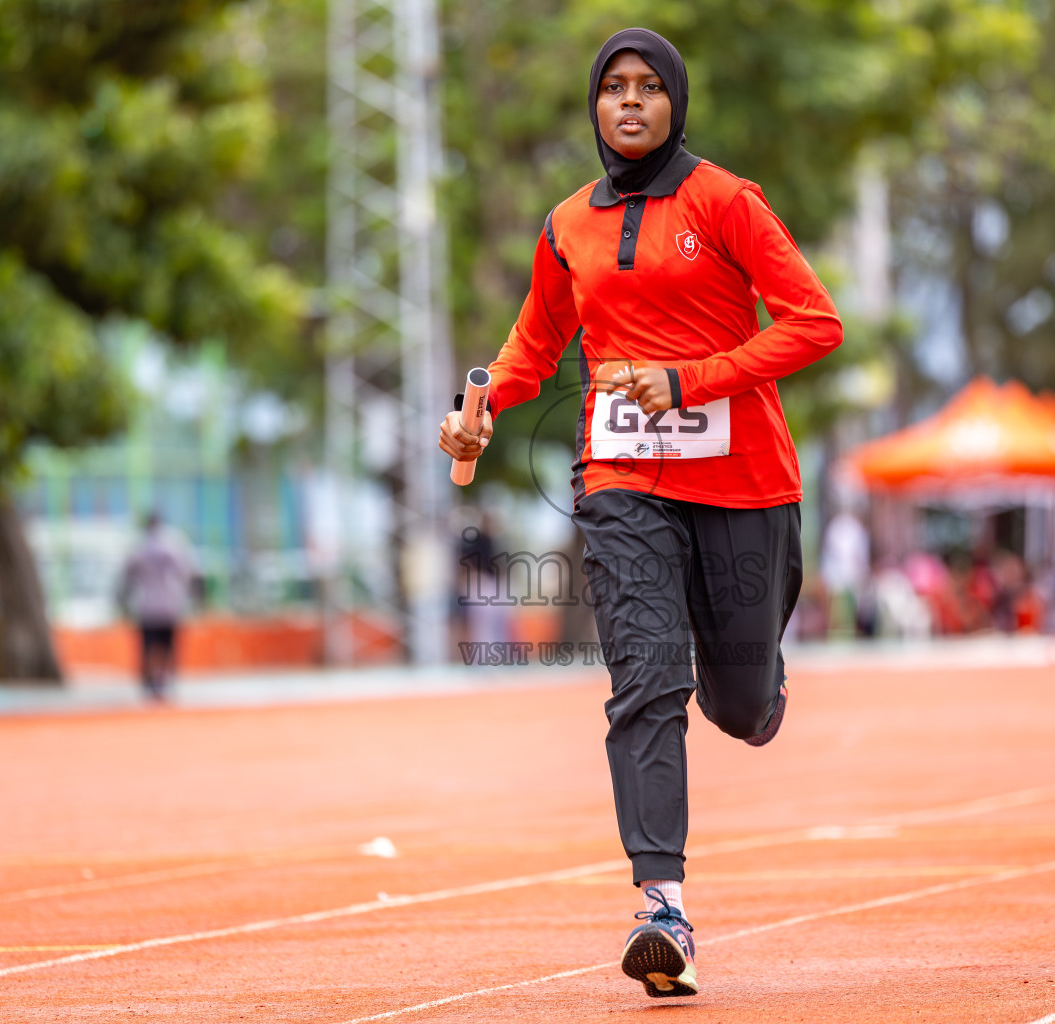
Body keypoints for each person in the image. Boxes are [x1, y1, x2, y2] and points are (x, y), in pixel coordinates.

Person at [438, 27, 840, 1000]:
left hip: (745, 484)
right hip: (621, 478)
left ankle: (757, 688)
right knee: (647, 678)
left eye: (648, 86)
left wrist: (691, 380)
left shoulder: (726, 202)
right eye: (613, 86)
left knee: (738, 707)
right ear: (594, 105)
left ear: (675, 102)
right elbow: (533, 345)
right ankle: (663, 910)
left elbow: (815, 322)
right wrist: (480, 408)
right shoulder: (567, 225)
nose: (629, 101)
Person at [119, 512, 197, 701]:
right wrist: (189, 596)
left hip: (147, 605)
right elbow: (187, 572)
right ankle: (167, 680)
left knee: (149, 646)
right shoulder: (174, 543)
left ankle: (150, 682)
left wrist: (124, 599)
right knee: (168, 645)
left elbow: (128, 574)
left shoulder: (140, 546)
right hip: (170, 604)